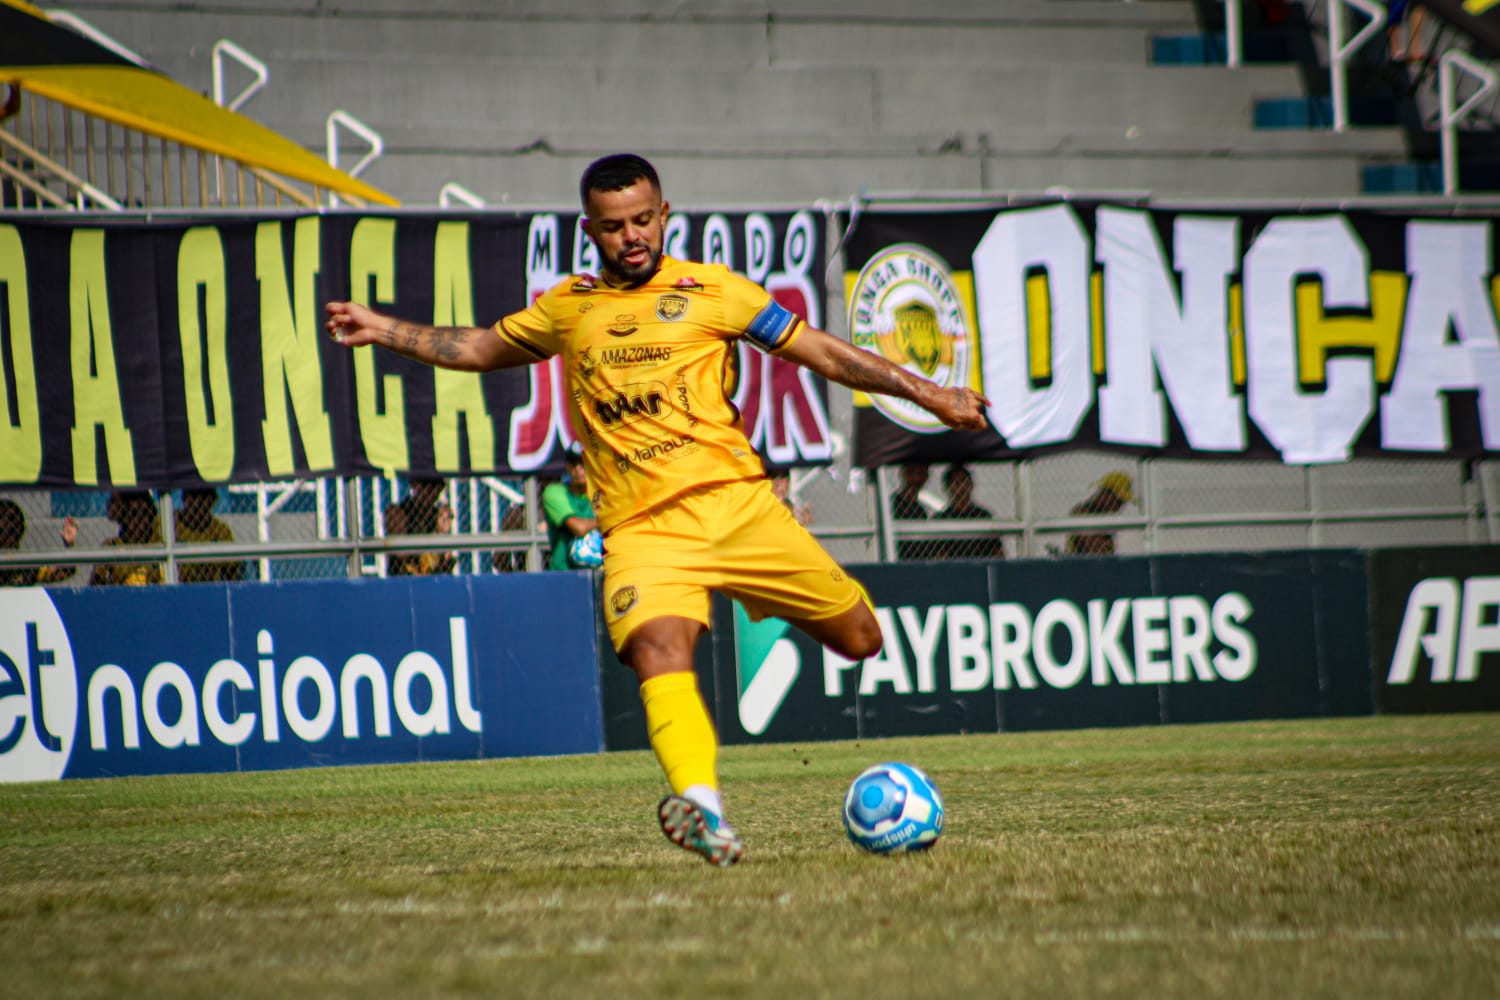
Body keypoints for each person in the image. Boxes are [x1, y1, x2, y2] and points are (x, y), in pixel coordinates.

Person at [324, 153, 988, 866]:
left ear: (664, 215)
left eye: (643, 220)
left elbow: (822, 353)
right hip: (644, 530)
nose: (631, 236)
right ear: (591, 230)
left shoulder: (716, 291)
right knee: (658, 651)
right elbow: (482, 346)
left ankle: (767, 613)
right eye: (613, 227)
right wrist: (381, 328)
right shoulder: (569, 307)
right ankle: (704, 809)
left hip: (739, 508)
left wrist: (932, 394)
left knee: (862, 639)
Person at [543, 443, 601, 570]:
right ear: (567, 467)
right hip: (564, 575)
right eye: (573, 463)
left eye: (583, 462)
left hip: (602, 573)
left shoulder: (604, 493)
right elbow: (578, 528)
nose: (578, 468)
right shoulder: (554, 492)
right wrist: (607, 521)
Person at [386, 477, 457, 576]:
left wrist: (441, 532)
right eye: (427, 486)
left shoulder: (437, 515)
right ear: (415, 485)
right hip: (406, 574)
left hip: (433, 574)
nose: (432, 492)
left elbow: (445, 557)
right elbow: (400, 555)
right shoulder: (402, 511)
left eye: (437, 487)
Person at [90, 490, 163, 586]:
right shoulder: (112, 546)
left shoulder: (160, 540)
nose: (138, 522)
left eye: (144, 514)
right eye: (133, 514)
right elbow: (95, 585)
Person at [933, 463, 1005, 560]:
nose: (961, 487)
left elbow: (997, 551)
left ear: (971, 485)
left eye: (964, 481)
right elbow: (938, 554)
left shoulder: (983, 515)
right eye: (956, 482)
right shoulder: (941, 518)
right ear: (947, 487)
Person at [174, 487, 245, 584]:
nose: (198, 502)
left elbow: (232, 571)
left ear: (213, 501)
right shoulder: (168, 525)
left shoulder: (220, 531)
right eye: (194, 496)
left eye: (203, 497)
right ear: (184, 498)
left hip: (209, 587)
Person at [0, 499, 77, 587]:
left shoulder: (23, 565)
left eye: (11, 526)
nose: (5, 528)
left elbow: (64, 571)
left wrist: (69, 545)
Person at [1066, 471, 1136, 556]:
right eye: (1118, 501)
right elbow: (1098, 551)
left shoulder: (1104, 518)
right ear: (1106, 494)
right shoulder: (1082, 513)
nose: (1120, 507)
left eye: (1123, 502)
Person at [889, 462, 938, 561]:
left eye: (921, 474)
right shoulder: (892, 505)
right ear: (903, 474)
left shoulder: (921, 511)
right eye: (911, 473)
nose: (916, 479)